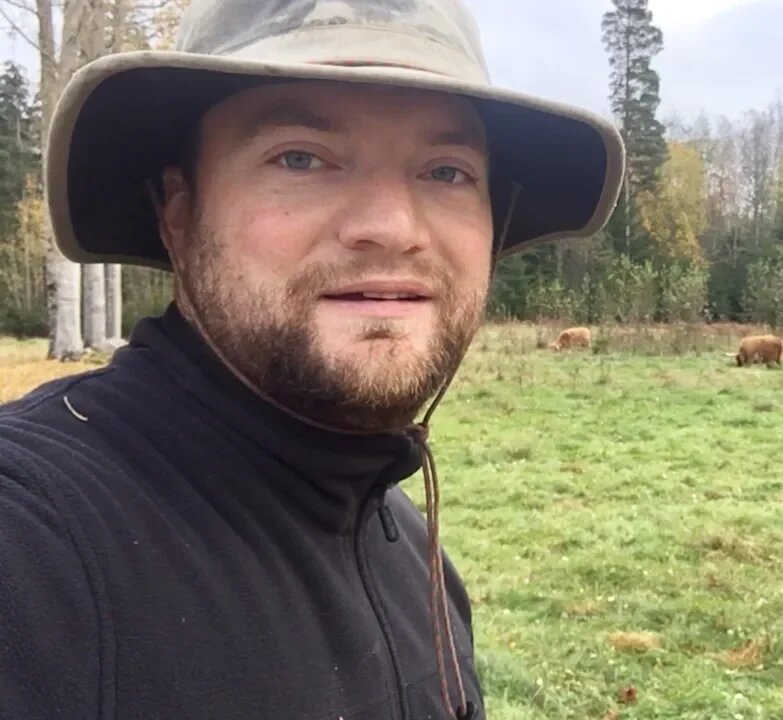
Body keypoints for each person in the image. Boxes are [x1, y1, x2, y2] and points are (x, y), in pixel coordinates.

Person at [0, 1, 623, 718]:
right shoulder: (32, 547)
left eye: (447, 171)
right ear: (179, 211)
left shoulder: (411, 554)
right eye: (300, 157)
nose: (391, 228)